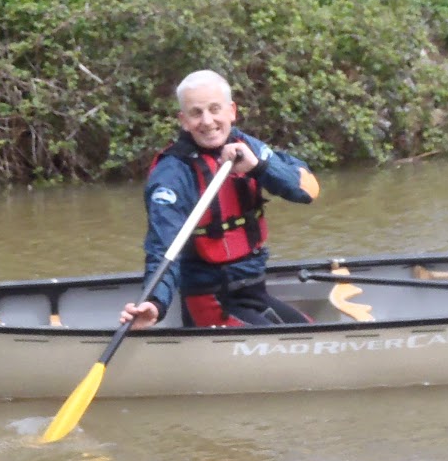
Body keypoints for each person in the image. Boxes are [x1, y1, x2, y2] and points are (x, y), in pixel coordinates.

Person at [120, 70, 320, 329]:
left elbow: (307, 191)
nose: (207, 121)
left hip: (253, 292)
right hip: (209, 300)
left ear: (232, 111)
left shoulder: (248, 147)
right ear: (183, 120)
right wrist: (155, 303)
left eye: (215, 109)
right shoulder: (172, 174)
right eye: (196, 113)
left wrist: (259, 167)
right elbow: (163, 248)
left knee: (309, 329)